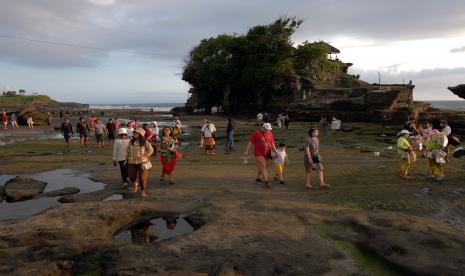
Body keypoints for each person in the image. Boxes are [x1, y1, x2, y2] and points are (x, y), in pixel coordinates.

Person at [244, 123, 277, 188]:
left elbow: (272, 143)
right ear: (263, 128)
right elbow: (250, 142)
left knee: (264, 166)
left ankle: (258, 179)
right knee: (263, 166)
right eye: (266, 129)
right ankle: (266, 182)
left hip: (267, 152)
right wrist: (246, 151)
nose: (268, 131)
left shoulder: (270, 133)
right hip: (258, 153)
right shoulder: (256, 133)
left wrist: (275, 151)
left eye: (268, 129)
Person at [126, 128, 154, 197]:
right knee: (131, 176)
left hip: (142, 162)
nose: (134, 134)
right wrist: (126, 160)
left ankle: (143, 191)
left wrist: (145, 155)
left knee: (142, 178)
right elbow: (127, 151)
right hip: (132, 161)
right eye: (134, 133)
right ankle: (135, 183)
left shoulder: (145, 141)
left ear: (140, 134)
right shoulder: (131, 141)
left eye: (136, 133)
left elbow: (151, 150)